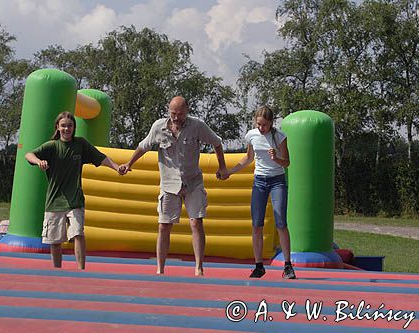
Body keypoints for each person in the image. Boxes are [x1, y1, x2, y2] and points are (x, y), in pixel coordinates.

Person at [119, 96, 228, 276]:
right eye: (173, 113)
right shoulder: (159, 127)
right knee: (164, 225)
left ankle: (199, 267)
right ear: (168, 111)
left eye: (180, 114)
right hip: (169, 184)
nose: (176, 117)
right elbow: (143, 146)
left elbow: (217, 142)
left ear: (187, 111)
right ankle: (160, 269)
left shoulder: (197, 126)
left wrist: (222, 167)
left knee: (196, 222)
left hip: (193, 181)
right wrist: (129, 164)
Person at [25, 111, 121, 270]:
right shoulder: (52, 146)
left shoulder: (80, 144)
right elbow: (29, 154)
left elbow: (101, 157)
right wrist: (39, 162)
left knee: (78, 234)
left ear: (74, 128)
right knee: (55, 242)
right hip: (55, 202)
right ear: (58, 127)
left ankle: (81, 270)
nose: (66, 129)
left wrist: (117, 167)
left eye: (70, 126)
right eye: (63, 126)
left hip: (75, 200)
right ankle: (57, 271)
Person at [220, 106, 296, 279]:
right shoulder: (252, 135)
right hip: (259, 181)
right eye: (259, 124)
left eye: (265, 125)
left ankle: (288, 265)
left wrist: (276, 158)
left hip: (277, 180)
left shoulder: (279, 137)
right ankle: (259, 265)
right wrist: (229, 172)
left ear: (271, 123)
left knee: (281, 222)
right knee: (256, 224)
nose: (262, 128)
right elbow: (248, 158)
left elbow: (287, 163)